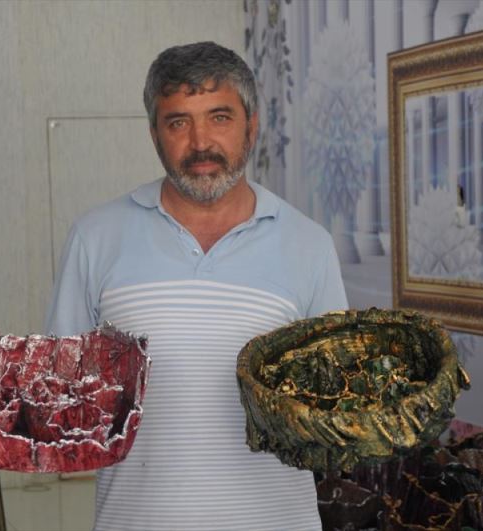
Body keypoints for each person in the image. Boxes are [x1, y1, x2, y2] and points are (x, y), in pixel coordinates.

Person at [46, 41, 348, 531]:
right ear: (154, 135)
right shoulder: (94, 237)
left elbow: (339, 404)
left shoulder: (310, 244)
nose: (200, 142)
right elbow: (60, 401)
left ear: (252, 126)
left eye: (220, 117)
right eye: (178, 122)